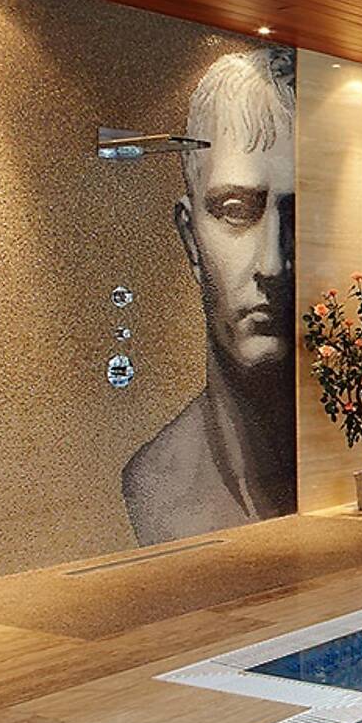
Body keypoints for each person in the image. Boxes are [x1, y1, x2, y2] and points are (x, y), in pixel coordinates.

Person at [122, 48, 296, 544]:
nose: (272, 264)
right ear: (190, 239)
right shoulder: (156, 485)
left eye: (298, 218)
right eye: (237, 210)